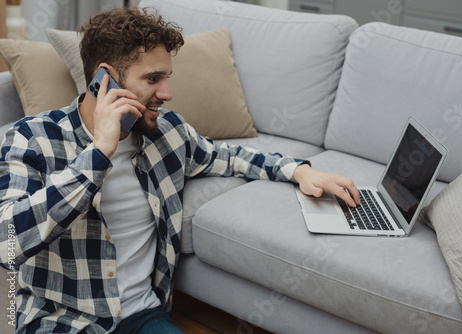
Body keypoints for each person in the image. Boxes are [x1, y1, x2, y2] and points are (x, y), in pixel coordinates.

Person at [0, 7, 360, 334]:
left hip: (143, 315)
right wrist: (98, 156)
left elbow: (230, 157)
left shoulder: (168, 134)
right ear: (103, 80)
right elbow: (7, 241)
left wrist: (299, 171)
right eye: (153, 78)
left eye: (167, 77)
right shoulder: (31, 139)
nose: (168, 93)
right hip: (62, 318)